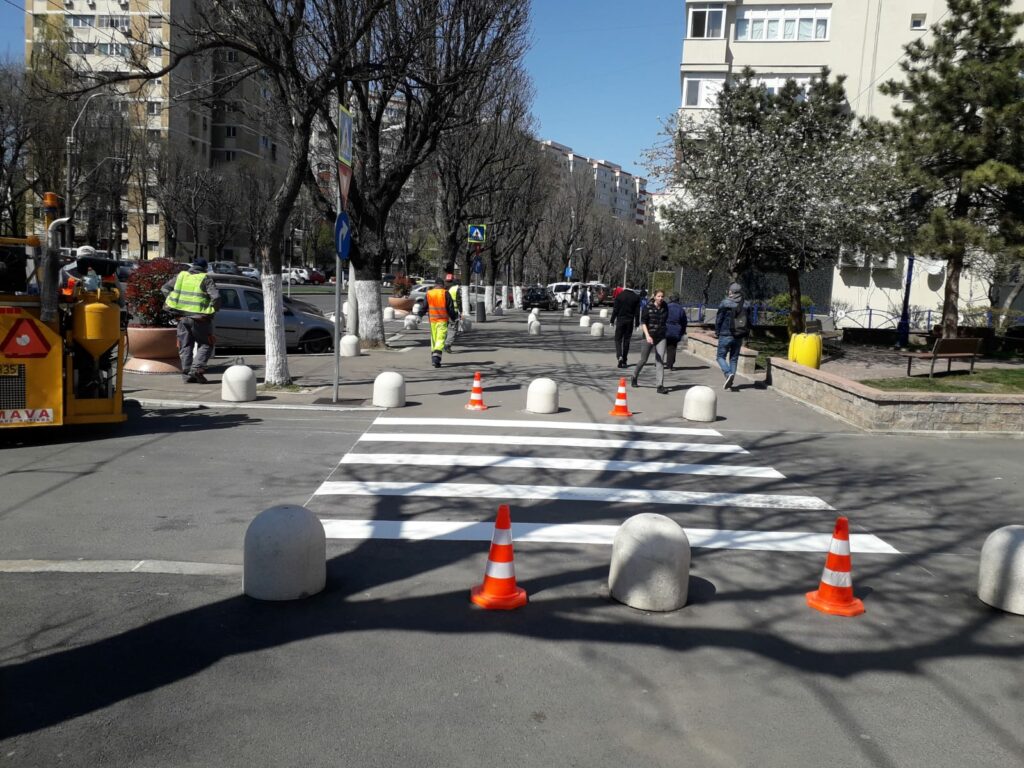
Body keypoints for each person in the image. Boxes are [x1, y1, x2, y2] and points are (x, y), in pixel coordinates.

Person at [162, 257, 220, 384]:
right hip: (200, 318)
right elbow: (216, 297)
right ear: (205, 268)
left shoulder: (181, 276)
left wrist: (174, 302)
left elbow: (165, 289)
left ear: (192, 266)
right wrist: (213, 309)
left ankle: (187, 374)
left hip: (182, 318)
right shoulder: (205, 278)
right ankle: (197, 369)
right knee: (206, 344)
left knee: (185, 346)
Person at [631, 289, 669, 393]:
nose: (661, 298)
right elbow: (643, 322)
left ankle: (660, 385)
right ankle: (634, 376)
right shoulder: (648, 307)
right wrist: (648, 336)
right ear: (654, 297)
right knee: (643, 360)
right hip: (648, 336)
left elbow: (665, 321)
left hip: (661, 337)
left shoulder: (665, 306)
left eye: (662, 296)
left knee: (660, 360)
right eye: (659, 296)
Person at [714, 282, 750, 390]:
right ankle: (731, 379)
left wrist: (717, 331)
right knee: (734, 358)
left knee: (720, 357)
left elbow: (719, 318)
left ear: (731, 292)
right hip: (739, 334)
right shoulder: (746, 304)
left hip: (725, 334)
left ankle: (728, 373)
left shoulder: (725, 303)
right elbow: (749, 320)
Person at [426, 276, 457, 368]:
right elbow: (450, 308)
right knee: (440, 339)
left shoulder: (429, 293)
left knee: (434, 340)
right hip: (442, 320)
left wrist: (419, 315)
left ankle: (434, 359)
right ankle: (436, 359)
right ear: (442, 285)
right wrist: (454, 318)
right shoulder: (445, 293)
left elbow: (424, 306)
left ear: (435, 284)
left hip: (432, 321)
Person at [610, 286, 641, 368]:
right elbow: (637, 312)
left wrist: (612, 321)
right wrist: (637, 324)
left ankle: (619, 356)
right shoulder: (636, 297)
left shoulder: (620, 296)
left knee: (618, 339)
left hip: (620, 321)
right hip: (630, 321)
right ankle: (624, 360)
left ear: (625, 287)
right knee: (627, 341)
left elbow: (615, 310)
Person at [664, 294, 688, 370]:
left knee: (661, 346)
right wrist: (683, 331)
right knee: (672, 347)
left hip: (665, 328)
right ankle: (670, 365)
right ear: (678, 300)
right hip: (675, 330)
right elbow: (684, 322)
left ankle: (658, 363)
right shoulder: (681, 309)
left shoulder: (666, 307)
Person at [445, 278, 462, 353]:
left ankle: (444, 343)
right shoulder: (457, 289)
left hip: (447, 311)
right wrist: (461, 311)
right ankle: (447, 344)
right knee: (453, 329)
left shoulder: (450, 289)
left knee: (448, 328)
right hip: (454, 312)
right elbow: (458, 301)